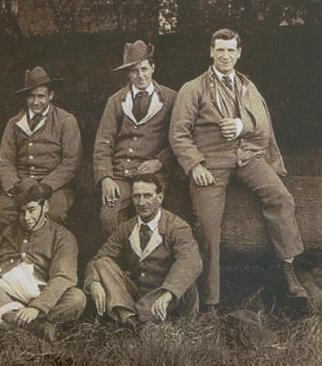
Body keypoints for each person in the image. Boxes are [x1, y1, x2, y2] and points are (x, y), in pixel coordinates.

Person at [169, 28, 308, 309]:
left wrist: (243, 125)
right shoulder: (192, 88)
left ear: (239, 53)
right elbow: (178, 134)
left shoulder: (247, 86)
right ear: (211, 51)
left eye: (231, 50)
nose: (225, 56)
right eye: (220, 50)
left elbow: (264, 126)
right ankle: (211, 300)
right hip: (210, 162)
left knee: (281, 198)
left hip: (246, 156)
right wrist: (194, 164)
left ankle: (287, 268)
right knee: (208, 228)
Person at [0, 183, 86, 342]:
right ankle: (37, 327)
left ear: (45, 207)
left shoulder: (63, 237)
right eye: (21, 212)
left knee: (77, 298)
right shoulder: (9, 231)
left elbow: (63, 277)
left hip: (42, 292)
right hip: (8, 295)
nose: (26, 218)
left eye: (31, 210)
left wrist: (36, 306)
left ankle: (13, 321)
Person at [84, 174, 202, 331]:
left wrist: (169, 293)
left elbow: (191, 261)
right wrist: (94, 282)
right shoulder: (126, 228)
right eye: (136, 196)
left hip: (167, 295)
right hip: (139, 294)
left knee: (186, 279)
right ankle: (131, 320)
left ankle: (135, 321)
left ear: (160, 198)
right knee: (102, 264)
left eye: (148, 196)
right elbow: (99, 258)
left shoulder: (177, 227)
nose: (141, 202)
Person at [0, 66, 82, 246]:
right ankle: (4, 262)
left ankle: (44, 262)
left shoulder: (66, 120)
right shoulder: (14, 123)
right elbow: (5, 160)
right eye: (31, 96)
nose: (35, 101)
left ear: (51, 96)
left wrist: (46, 186)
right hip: (20, 185)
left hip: (53, 186)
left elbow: (71, 162)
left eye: (41, 96)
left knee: (54, 214)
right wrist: (15, 186)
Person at [94, 40, 177, 238]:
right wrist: (105, 177)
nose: (139, 76)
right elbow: (103, 142)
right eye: (133, 71)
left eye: (144, 69)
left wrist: (160, 161)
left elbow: (179, 138)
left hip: (154, 175)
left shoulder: (171, 98)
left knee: (155, 219)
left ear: (153, 68)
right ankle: (116, 266)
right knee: (109, 216)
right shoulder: (116, 100)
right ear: (128, 74)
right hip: (121, 173)